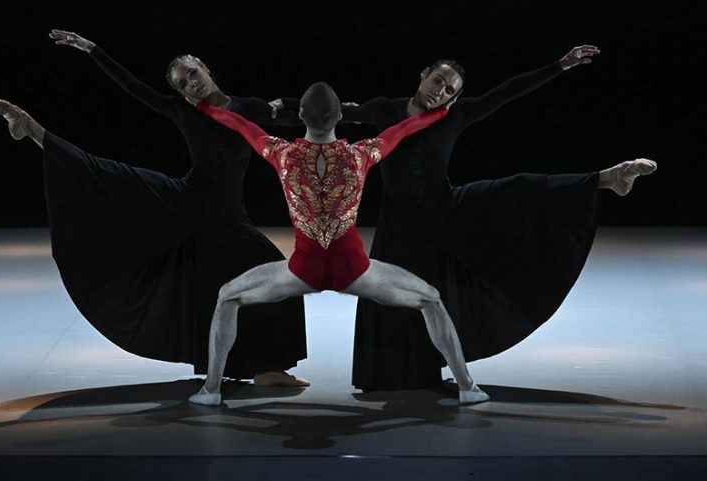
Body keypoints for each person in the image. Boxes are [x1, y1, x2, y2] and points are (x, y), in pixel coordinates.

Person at [279, 46, 656, 390]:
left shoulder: (454, 117)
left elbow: (507, 92)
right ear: (423, 73)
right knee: (394, 299)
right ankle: (392, 373)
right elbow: (327, 112)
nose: (440, 92)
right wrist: (276, 108)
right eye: (438, 81)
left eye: (449, 90)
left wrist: (558, 66)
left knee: (519, 189)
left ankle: (608, 178)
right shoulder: (385, 110)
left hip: (447, 213)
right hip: (400, 226)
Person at [0, 29, 310, 387]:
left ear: (206, 69)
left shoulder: (250, 108)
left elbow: (299, 114)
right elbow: (132, 87)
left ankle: (263, 368)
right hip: (187, 203)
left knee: (277, 282)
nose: (190, 84)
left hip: (229, 220)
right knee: (107, 174)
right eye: (182, 84)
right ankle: (30, 128)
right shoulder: (182, 113)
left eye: (192, 74)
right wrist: (94, 50)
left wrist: (331, 114)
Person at [188, 82, 490, 406]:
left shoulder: (282, 153)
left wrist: (201, 106)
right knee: (430, 299)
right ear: (341, 116)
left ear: (301, 115)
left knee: (227, 297)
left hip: (301, 271)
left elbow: (238, 123)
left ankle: (211, 390)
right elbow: (406, 128)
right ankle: (467, 387)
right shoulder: (360, 154)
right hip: (355, 270)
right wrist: (445, 109)